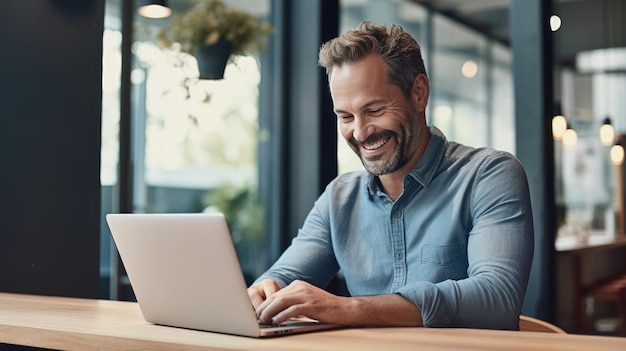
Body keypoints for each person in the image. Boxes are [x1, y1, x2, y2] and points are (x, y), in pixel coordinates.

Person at [247, 20, 534, 330]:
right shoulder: (339, 199)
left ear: (419, 93)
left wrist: (351, 309)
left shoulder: (489, 176)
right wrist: (263, 293)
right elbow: (279, 282)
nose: (360, 132)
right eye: (345, 116)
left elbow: (498, 298)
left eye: (375, 110)